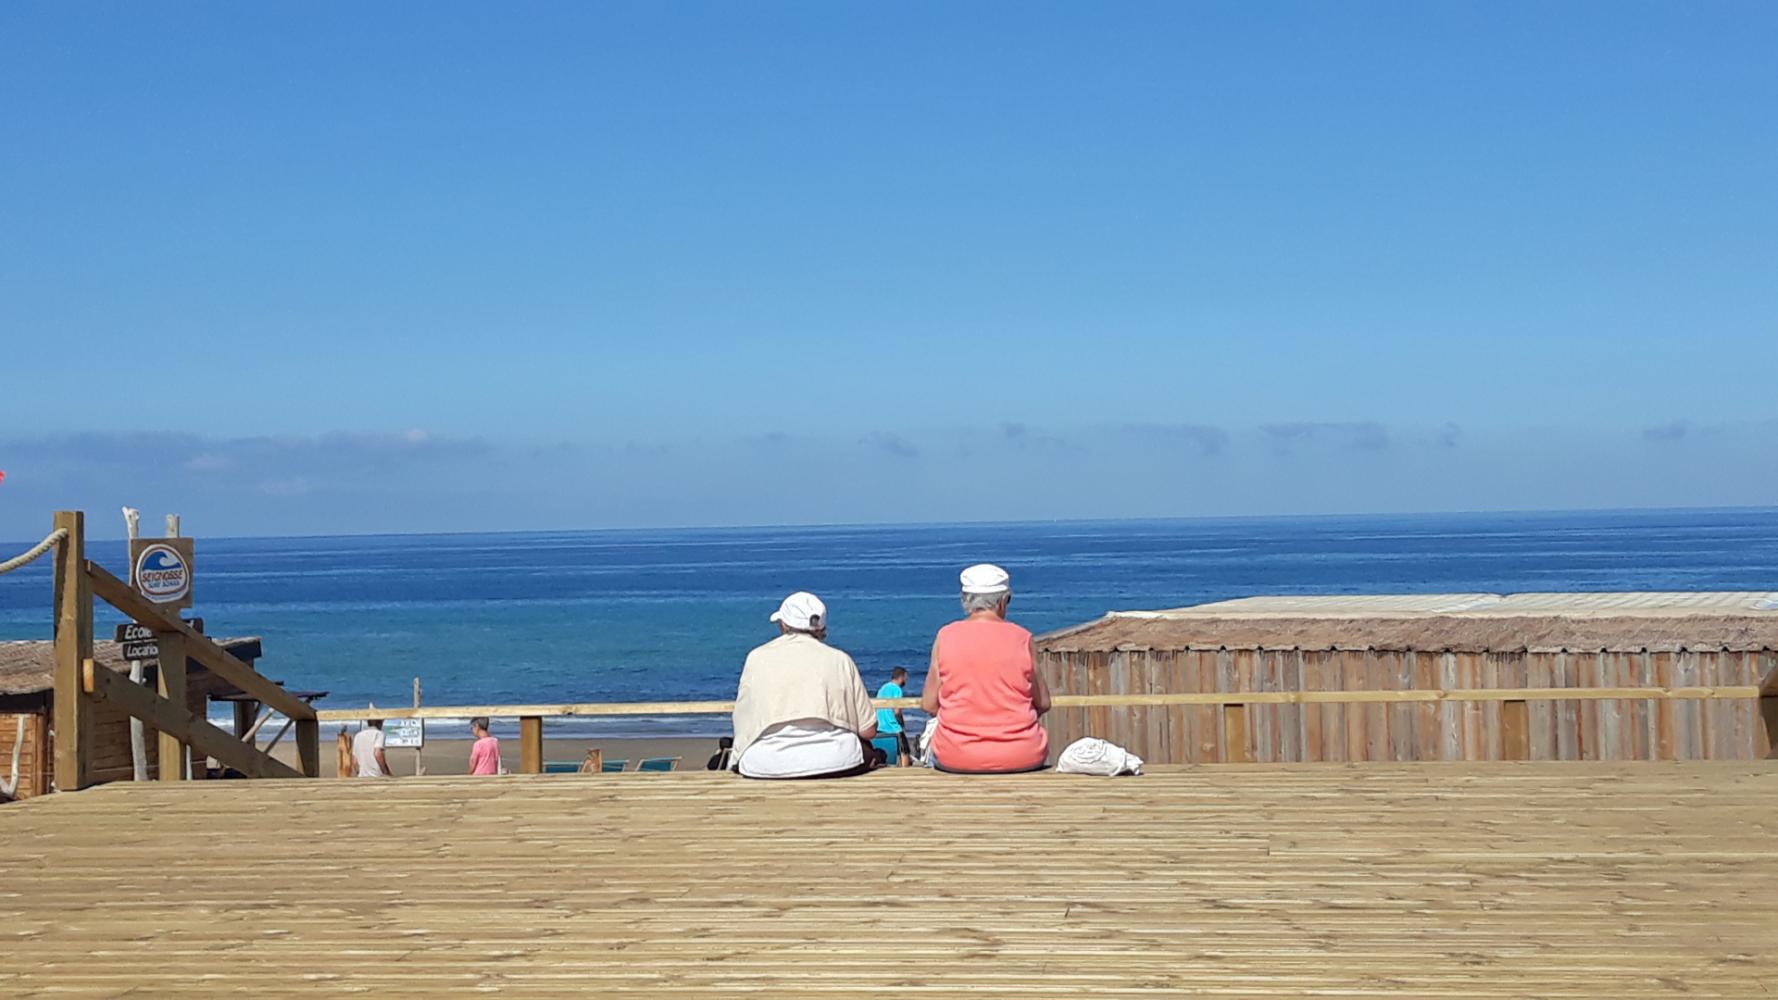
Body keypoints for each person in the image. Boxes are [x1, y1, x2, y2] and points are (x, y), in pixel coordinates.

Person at [730, 591, 878, 779]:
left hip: (766, 762)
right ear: (821, 627)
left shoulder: (757, 658)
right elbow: (868, 730)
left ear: (783, 625)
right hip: (835, 760)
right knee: (867, 749)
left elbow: (742, 720)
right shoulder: (840, 660)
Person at [920, 563, 1051, 773]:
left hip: (956, 755)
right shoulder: (1022, 638)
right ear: (1002, 601)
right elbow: (1043, 702)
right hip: (1022, 754)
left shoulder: (946, 636)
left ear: (965, 601)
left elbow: (928, 704)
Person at [876, 667, 912, 766]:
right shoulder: (897, 689)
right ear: (902, 677)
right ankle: (905, 772)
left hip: (880, 726)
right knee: (905, 751)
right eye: (905, 678)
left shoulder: (882, 688)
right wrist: (902, 723)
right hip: (892, 727)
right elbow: (897, 711)